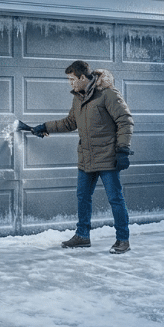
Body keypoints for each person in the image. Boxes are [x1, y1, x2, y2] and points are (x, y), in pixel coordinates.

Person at [30, 60, 134, 254]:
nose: (70, 83)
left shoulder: (108, 94)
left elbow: (125, 121)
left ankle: (123, 240)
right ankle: (82, 236)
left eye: (72, 79)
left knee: (115, 199)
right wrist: (45, 126)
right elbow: (70, 122)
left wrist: (123, 150)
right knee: (83, 197)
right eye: (68, 79)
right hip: (86, 156)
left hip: (107, 156)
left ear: (83, 77)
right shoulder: (78, 98)